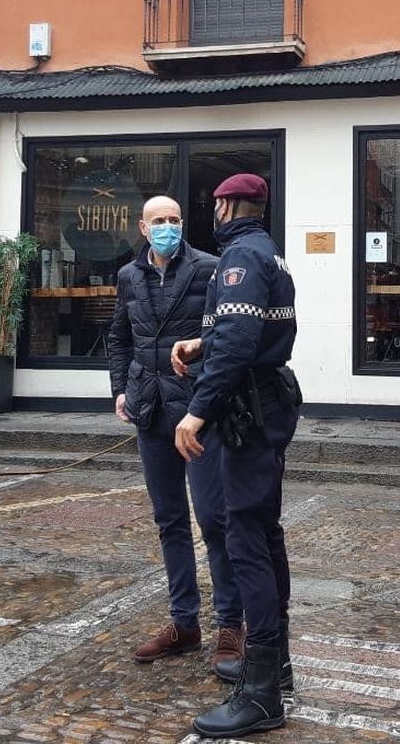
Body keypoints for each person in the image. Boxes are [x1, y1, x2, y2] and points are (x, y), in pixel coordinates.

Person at [172, 173, 301, 739]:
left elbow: (242, 343)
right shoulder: (266, 253)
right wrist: (203, 341)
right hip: (264, 397)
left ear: (223, 204)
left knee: (245, 534)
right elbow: (247, 328)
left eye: (213, 204)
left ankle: (262, 692)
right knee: (262, 532)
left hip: (248, 405)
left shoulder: (240, 257)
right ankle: (278, 666)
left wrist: (198, 408)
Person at [107, 196, 243, 677]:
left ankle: (232, 624)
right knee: (169, 521)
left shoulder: (211, 268)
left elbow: (227, 335)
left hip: (197, 413)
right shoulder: (128, 276)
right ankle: (184, 623)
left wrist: (207, 399)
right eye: (158, 221)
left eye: (174, 220)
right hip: (150, 409)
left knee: (214, 519)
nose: (167, 227)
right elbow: (120, 338)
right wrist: (121, 388)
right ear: (142, 228)